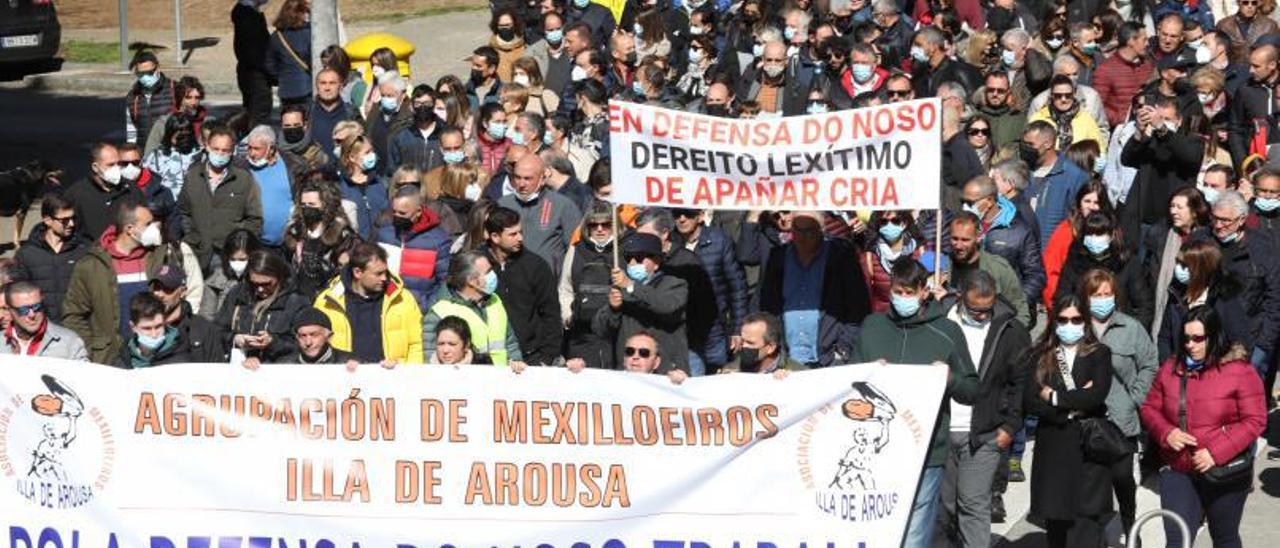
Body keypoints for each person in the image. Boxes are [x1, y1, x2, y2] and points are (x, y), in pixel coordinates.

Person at [850, 258, 981, 548]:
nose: (903, 298)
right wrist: (866, 374)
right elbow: (848, 384)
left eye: (910, 292)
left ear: (924, 292)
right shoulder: (872, 326)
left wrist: (950, 380)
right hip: (877, 453)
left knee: (913, 536)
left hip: (926, 452)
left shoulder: (947, 331)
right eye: (899, 290)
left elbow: (972, 390)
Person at [1141, 305, 1265, 547]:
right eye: (1186, 338)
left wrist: (1216, 453)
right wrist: (1167, 433)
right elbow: (1149, 409)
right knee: (1177, 541)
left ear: (1214, 336)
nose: (1190, 345)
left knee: (1224, 537)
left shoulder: (1240, 371)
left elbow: (1255, 419)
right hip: (1178, 468)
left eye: (1198, 338)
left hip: (1224, 472)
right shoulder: (1171, 368)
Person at [937, 270, 1031, 548]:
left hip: (985, 432)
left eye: (986, 310)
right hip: (942, 429)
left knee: (974, 504)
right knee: (945, 507)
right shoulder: (940, 321)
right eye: (974, 310)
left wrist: (1010, 426)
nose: (981, 316)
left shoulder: (1011, 331)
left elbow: (1021, 382)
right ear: (960, 297)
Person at [1024, 292, 1114, 548]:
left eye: (1076, 320)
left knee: (1086, 525)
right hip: (1053, 449)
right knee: (1057, 527)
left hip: (1088, 448)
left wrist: (1053, 397)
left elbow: (1096, 395)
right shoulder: (1040, 354)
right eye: (1063, 320)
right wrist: (1073, 403)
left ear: (1085, 321)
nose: (1069, 326)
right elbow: (1030, 400)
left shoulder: (1099, 354)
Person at [1082, 267, 1159, 540]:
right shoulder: (1075, 327)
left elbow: (1149, 364)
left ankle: (1131, 532)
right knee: (1092, 491)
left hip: (1121, 424)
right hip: (1086, 424)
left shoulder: (1130, 327)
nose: (1103, 299)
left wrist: (1133, 399)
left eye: (1107, 294)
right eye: (1096, 294)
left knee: (1125, 486)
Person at [61, 198, 171, 364]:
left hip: (156, 354)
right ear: (129, 229)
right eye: (148, 224)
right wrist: (91, 350)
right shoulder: (91, 265)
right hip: (109, 359)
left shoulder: (160, 257)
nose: (155, 228)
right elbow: (74, 315)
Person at [759, 211, 869, 367]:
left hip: (828, 360)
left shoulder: (840, 257)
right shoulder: (778, 257)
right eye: (798, 230)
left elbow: (858, 310)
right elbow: (767, 305)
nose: (803, 236)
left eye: (809, 230)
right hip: (786, 359)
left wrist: (842, 351)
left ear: (821, 230)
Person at [592, 232, 690, 374]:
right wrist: (613, 309)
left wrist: (631, 287)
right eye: (628, 258)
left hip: (666, 373)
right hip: (628, 372)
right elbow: (601, 330)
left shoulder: (675, 285)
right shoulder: (620, 288)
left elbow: (666, 306)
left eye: (638, 258)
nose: (632, 264)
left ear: (656, 262)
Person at [314, 242, 423, 366]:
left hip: (392, 378)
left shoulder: (403, 299)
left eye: (385, 272)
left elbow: (417, 343)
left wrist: (406, 372)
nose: (384, 278)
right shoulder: (327, 302)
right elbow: (316, 345)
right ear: (358, 272)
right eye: (378, 274)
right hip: (346, 380)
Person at [671, 207, 747, 375]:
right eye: (677, 214)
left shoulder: (720, 240)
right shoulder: (670, 243)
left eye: (688, 214)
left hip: (715, 327)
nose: (682, 219)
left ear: (700, 216)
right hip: (683, 329)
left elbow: (737, 287)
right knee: (693, 381)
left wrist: (738, 328)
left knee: (717, 381)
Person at [482, 206, 561, 366]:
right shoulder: (476, 264)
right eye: (513, 234)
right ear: (495, 237)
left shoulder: (536, 266)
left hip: (530, 358)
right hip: (487, 359)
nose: (520, 238)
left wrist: (546, 357)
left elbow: (550, 314)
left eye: (520, 232)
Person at [179, 126, 264, 271]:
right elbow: (183, 212)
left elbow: (255, 218)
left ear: (232, 151)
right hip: (197, 253)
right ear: (206, 147)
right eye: (216, 149)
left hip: (228, 254)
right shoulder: (193, 176)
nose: (219, 154)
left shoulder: (243, 178)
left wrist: (240, 245)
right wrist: (191, 236)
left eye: (225, 150)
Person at [424, 250, 524, 367]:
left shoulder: (495, 300)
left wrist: (516, 360)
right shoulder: (438, 312)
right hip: (466, 381)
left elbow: (510, 340)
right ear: (471, 281)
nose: (493, 275)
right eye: (488, 272)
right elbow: (431, 358)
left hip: (501, 380)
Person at [963, 176, 1045, 317]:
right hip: (969, 309)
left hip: (1005, 313)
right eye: (963, 201)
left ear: (989, 200)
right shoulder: (963, 225)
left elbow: (1035, 275)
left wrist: (1015, 305)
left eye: (970, 202)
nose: (965, 206)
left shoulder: (1019, 230)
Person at [1054, 211, 1154, 327]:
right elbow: (1062, 299)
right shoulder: (1075, 261)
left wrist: (1130, 332)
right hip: (1082, 328)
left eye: (1100, 234)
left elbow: (1144, 305)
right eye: (1090, 234)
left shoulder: (1127, 262)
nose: (1094, 238)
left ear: (1111, 235)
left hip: (1120, 327)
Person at [1157, 239, 1252, 360]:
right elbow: (1164, 337)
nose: (1178, 269)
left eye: (1185, 265)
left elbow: (1239, 345)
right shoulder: (1176, 295)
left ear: (1201, 269)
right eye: (1177, 262)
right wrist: (1170, 365)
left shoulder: (1225, 301)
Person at [216, 250, 309, 369]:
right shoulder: (237, 295)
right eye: (254, 283)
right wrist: (235, 339)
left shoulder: (296, 302)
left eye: (266, 284)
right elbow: (217, 330)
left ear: (279, 277)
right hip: (237, 369)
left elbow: (307, 343)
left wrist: (273, 342)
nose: (260, 289)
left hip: (277, 371)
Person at [496, 153, 582, 276]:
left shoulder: (563, 205)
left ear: (542, 179)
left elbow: (575, 248)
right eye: (517, 177)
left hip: (549, 282)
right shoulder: (503, 204)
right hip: (511, 279)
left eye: (527, 178)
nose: (521, 184)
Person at [12, 194, 91, 320]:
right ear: (48, 220)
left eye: (73, 218)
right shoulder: (26, 254)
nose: (71, 224)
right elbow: (17, 294)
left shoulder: (84, 250)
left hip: (77, 328)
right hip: (42, 328)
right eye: (64, 220)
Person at [948, 213, 1031, 327]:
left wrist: (1011, 336)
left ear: (978, 237)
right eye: (955, 239)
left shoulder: (998, 269)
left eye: (965, 240)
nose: (958, 245)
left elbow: (1020, 310)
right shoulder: (940, 266)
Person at [376, 188, 452, 310]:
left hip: (418, 312)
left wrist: (425, 305)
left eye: (402, 213)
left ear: (418, 211)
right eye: (394, 212)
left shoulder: (438, 241)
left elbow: (445, 283)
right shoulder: (383, 235)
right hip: (384, 308)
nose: (397, 217)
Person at [62, 143, 145, 241]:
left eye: (118, 164)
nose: (116, 169)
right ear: (95, 167)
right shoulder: (76, 194)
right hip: (91, 253)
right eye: (111, 165)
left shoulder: (131, 190)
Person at [149, 263, 226, 363]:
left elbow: (218, 371)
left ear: (183, 291)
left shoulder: (204, 329)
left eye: (167, 288)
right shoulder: (141, 328)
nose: (159, 294)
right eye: (156, 287)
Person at [240, 125, 301, 249]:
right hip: (253, 243)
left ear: (271, 148)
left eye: (257, 149)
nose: (251, 153)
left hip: (288, 243)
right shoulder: (241, 167)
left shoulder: (292, 165)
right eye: (249, 148)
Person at [1, 282, 87, 360]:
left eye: (37, 307)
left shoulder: (69, 342)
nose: (32, 315)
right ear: (10, 310)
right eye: (23, 310)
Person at [1094, 21, 1155, 128]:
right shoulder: (1105, 70)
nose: (1147, 44)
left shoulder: (1147, 65)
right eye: (1144, 40)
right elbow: (1098, 106)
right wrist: (1122, 118)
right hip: (1119, 130)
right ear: (1131, 41)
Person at [1029, 75, 1108, 155]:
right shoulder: (1038, 118)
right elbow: (1029, 148)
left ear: (1074, 94)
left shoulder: (1086, 119)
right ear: (1052, 96)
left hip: (1079, 165)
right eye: (1058, 96)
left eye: (1068, 95)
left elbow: (1099, 148)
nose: (1063, 99)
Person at [114, 292, 191, 368]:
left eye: (158, 326)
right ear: (133, 327)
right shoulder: (122, 362)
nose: (154, 334)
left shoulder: (181, 359)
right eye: (147, 328)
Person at [336, 135, 391, 239]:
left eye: (372, 151)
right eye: (367, 152)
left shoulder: (379, 183)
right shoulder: (341, 187)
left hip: (381, 244)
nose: (372, 155)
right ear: (352, 157)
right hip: (355, 247)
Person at [720, 311, 806, 375]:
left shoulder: (798, 373)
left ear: (771, 347)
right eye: (742, 341)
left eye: (750, 343)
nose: (743, 346)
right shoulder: (731, 369)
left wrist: (791, 383)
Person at [200, 229, 260, 319]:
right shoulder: (215, 282)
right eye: (233, 259)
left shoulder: (264, 281)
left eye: (243, 259)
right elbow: (206, 317)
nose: (238, 264)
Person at [143, 113, 204, 198]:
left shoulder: (201, 154)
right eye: (180, 137)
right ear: (169, 134)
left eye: (187, 136)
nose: (184, 140)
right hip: (166, 205)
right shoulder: (156, 157)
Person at [232, 0, 272, 126]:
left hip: (252, 72)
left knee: (253, 114)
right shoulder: (247, 15)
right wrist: (270, 70)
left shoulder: (249, 12)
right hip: (255, 75)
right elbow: (254, 50)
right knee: (259, 118)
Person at [265, 0, 312, 106]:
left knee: (289, 120)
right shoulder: (311, 35)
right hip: (307, 88)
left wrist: (282, 78)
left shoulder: (276, 36)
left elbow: (269, 65)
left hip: (286, 90)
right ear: (300, 13)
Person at [124, 51, 176, 146]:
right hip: (145, 154)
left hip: (171, 153)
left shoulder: (175, 89)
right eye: (140, 73)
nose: (145, 77)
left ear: (158, 68)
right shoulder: (132, 97)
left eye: (149, 72)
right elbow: (131, 130)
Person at [277, 307, 358, 367]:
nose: (308, 342)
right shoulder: (283, 367)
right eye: (303, 336)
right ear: (297, 338)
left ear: (329, 336)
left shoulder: (351, 364)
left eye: (314, 335)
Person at [309, 67, 356, 157]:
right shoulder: (307, 113)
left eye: (332, 83)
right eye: (323, 83)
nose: (327, 88)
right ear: (317, 86)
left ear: (340, 86)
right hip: (314, 169)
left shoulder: (352, 113)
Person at [278, 104, 333, 174]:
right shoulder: (276, 153)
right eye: (287, 126)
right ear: (282, 126)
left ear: (305, 125)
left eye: (296, 125)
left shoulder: (318, 153)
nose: (292, 129)